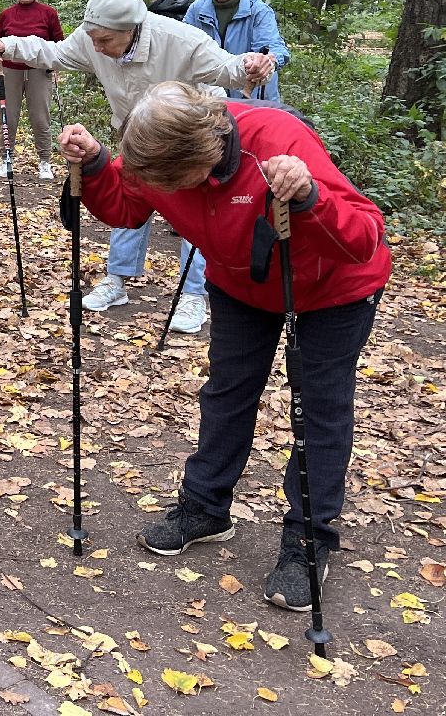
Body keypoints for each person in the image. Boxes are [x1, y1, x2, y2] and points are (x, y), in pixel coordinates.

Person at [58, 82, 390, 611]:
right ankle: (205, 507)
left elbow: (364, 236)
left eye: (173, 181)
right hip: (240, 281)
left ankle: (309, 541)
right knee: (228, 391)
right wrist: (98, 166)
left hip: (334, 288)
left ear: (208, 153)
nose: (163, 189)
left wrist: (308, 198)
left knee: (318, 407)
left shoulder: (278, 140)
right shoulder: (156, 150)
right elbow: (126, 207)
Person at [0, 0, 275, 333]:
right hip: (138, 134)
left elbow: (226, 67)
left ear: (131, 29)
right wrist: (9, 45)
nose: (96, 47)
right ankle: (117, 280)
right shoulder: (94, 37)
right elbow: (54, 52)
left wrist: (251, 65)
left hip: (191, 140)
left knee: (196, 213)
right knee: (129, 199)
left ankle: (194, 294)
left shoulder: (179, 40)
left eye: (104, 40)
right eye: (92, 38)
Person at [184, 0, 290, 100]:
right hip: (210, 101)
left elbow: (274, 47)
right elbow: (184, 46)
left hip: (253, 100)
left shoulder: (258, 11)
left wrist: (268, 60)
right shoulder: (196, 10)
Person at [0, 0, 64, 181]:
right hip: (10, 70)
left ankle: (45, 162)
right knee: (8, 117)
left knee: (40, 118)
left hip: (39, 70)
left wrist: (55, 66)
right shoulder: (6, 14)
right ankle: (6, 160)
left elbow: (58, 43)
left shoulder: (48, 13)